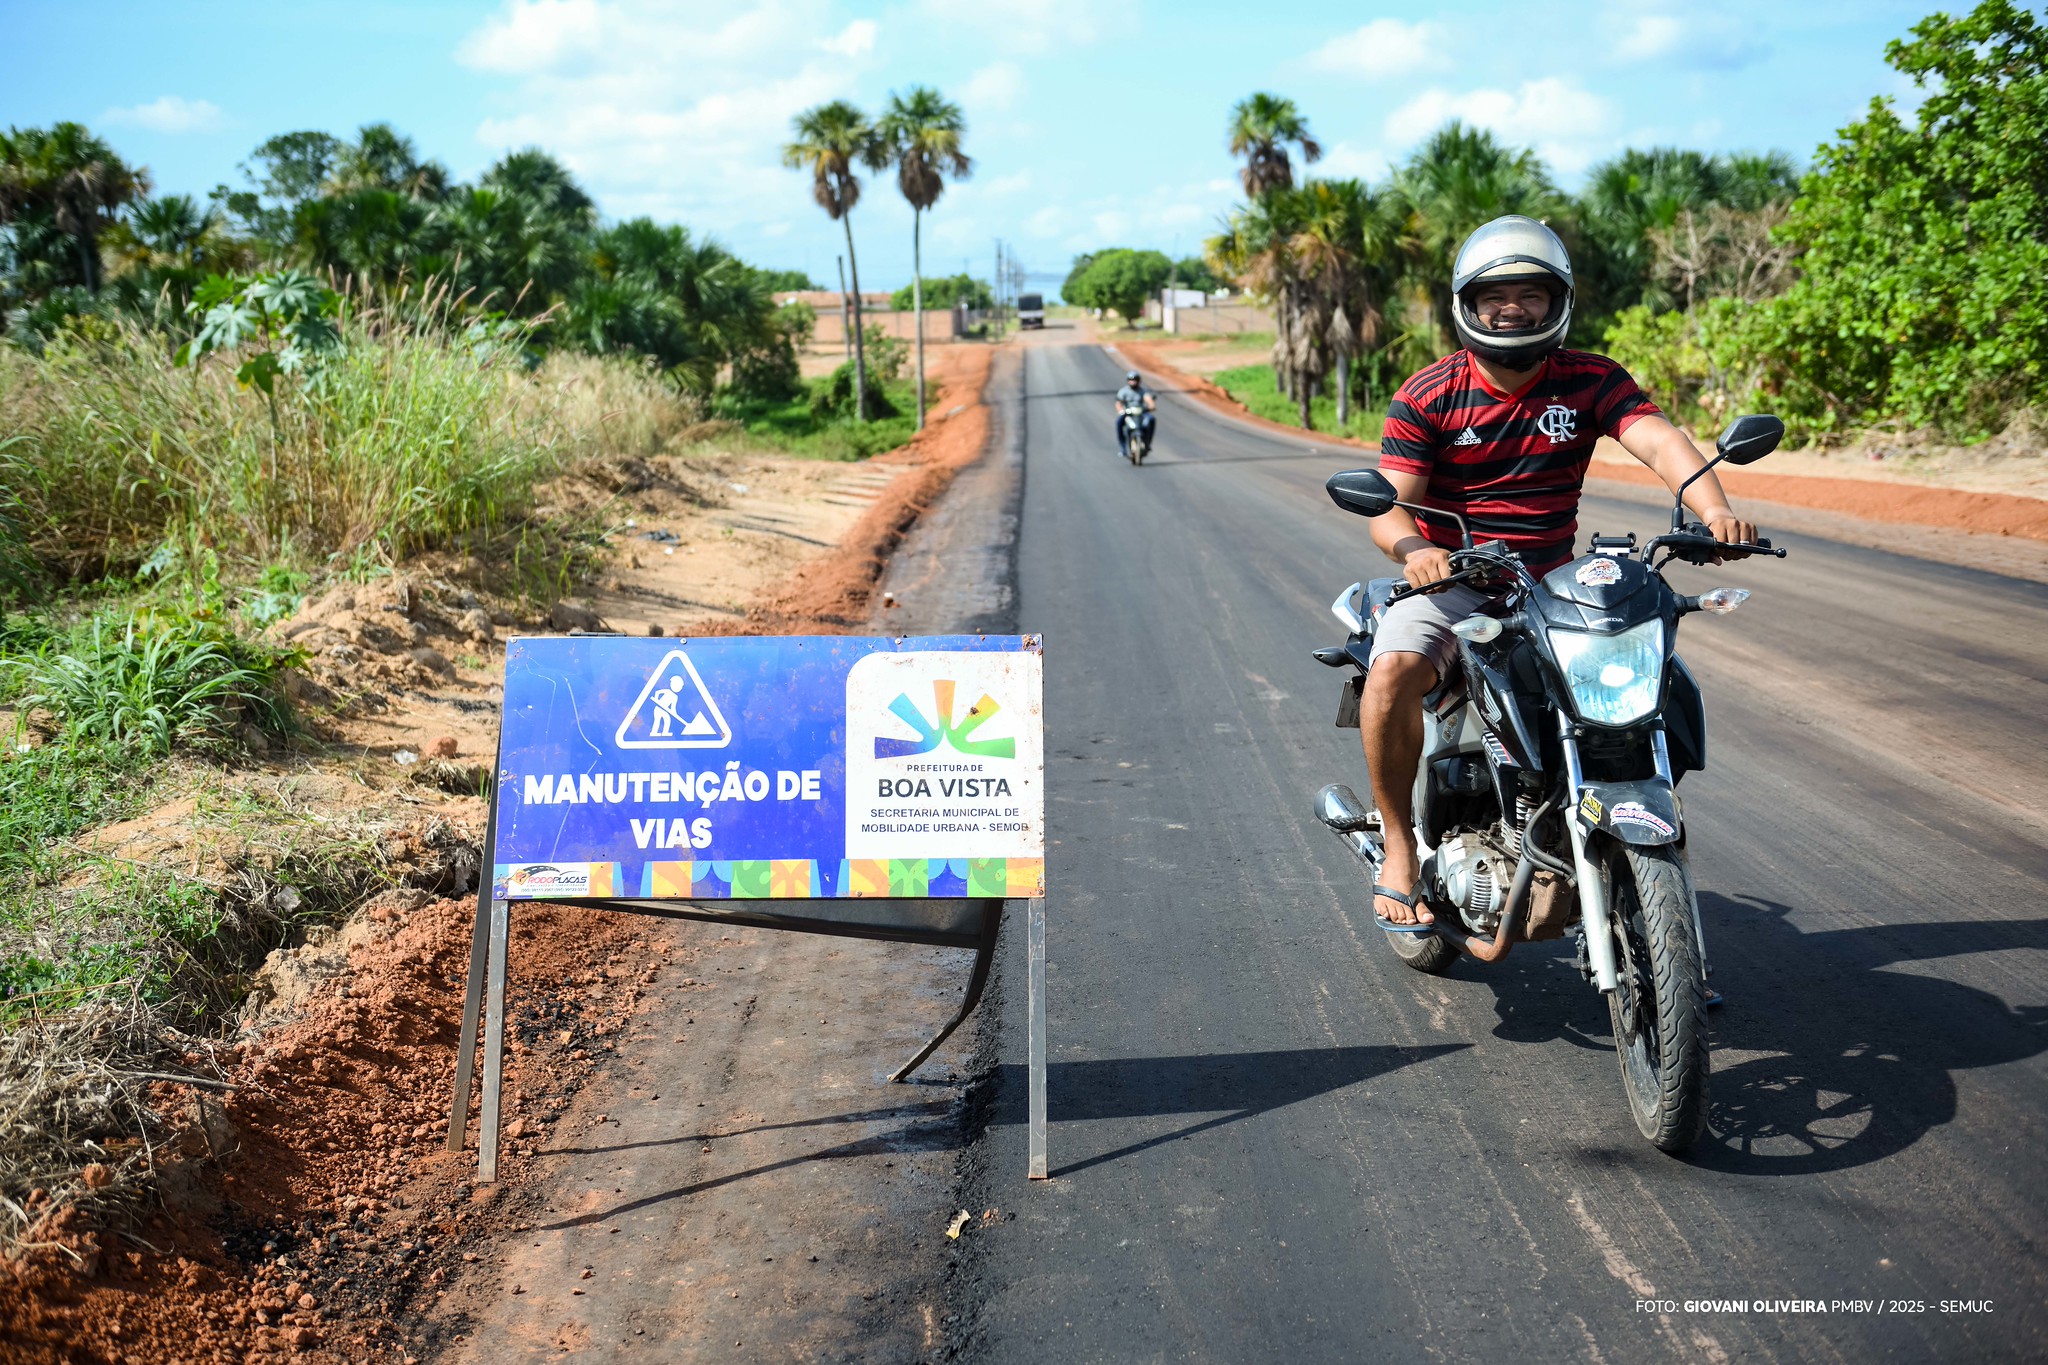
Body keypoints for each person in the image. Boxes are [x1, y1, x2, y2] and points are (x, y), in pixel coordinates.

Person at [1360, 214, 1756, 937]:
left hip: (1553, 587)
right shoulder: (1429, 393)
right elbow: (1390, 505)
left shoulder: (1590, 379)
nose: (1512, 308)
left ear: (1558, 301)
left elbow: (1659, 440)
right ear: (1468, 305)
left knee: (1645, 686)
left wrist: (1715, 509)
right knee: (1392, 672)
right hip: (1453, 582)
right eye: (1495, 296)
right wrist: (1415, 550)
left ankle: (1635, 881)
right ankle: (1398, 845)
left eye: (1531, 293)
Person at [1113, 370, 1157, 457]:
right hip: (1128, 413)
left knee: (1151, 419)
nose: (1133, 382)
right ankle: (1123, 448)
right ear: (1128, 380)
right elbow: (1118, 404)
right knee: (1118, 423)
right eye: (1131, 380)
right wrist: (1121, 411)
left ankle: (1147, 443)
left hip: (1141, 413)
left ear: (1138, 381)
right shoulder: (1123, 391)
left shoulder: (1142, 391)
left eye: (1135, 380)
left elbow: (1149, 401)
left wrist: (1150, 407)